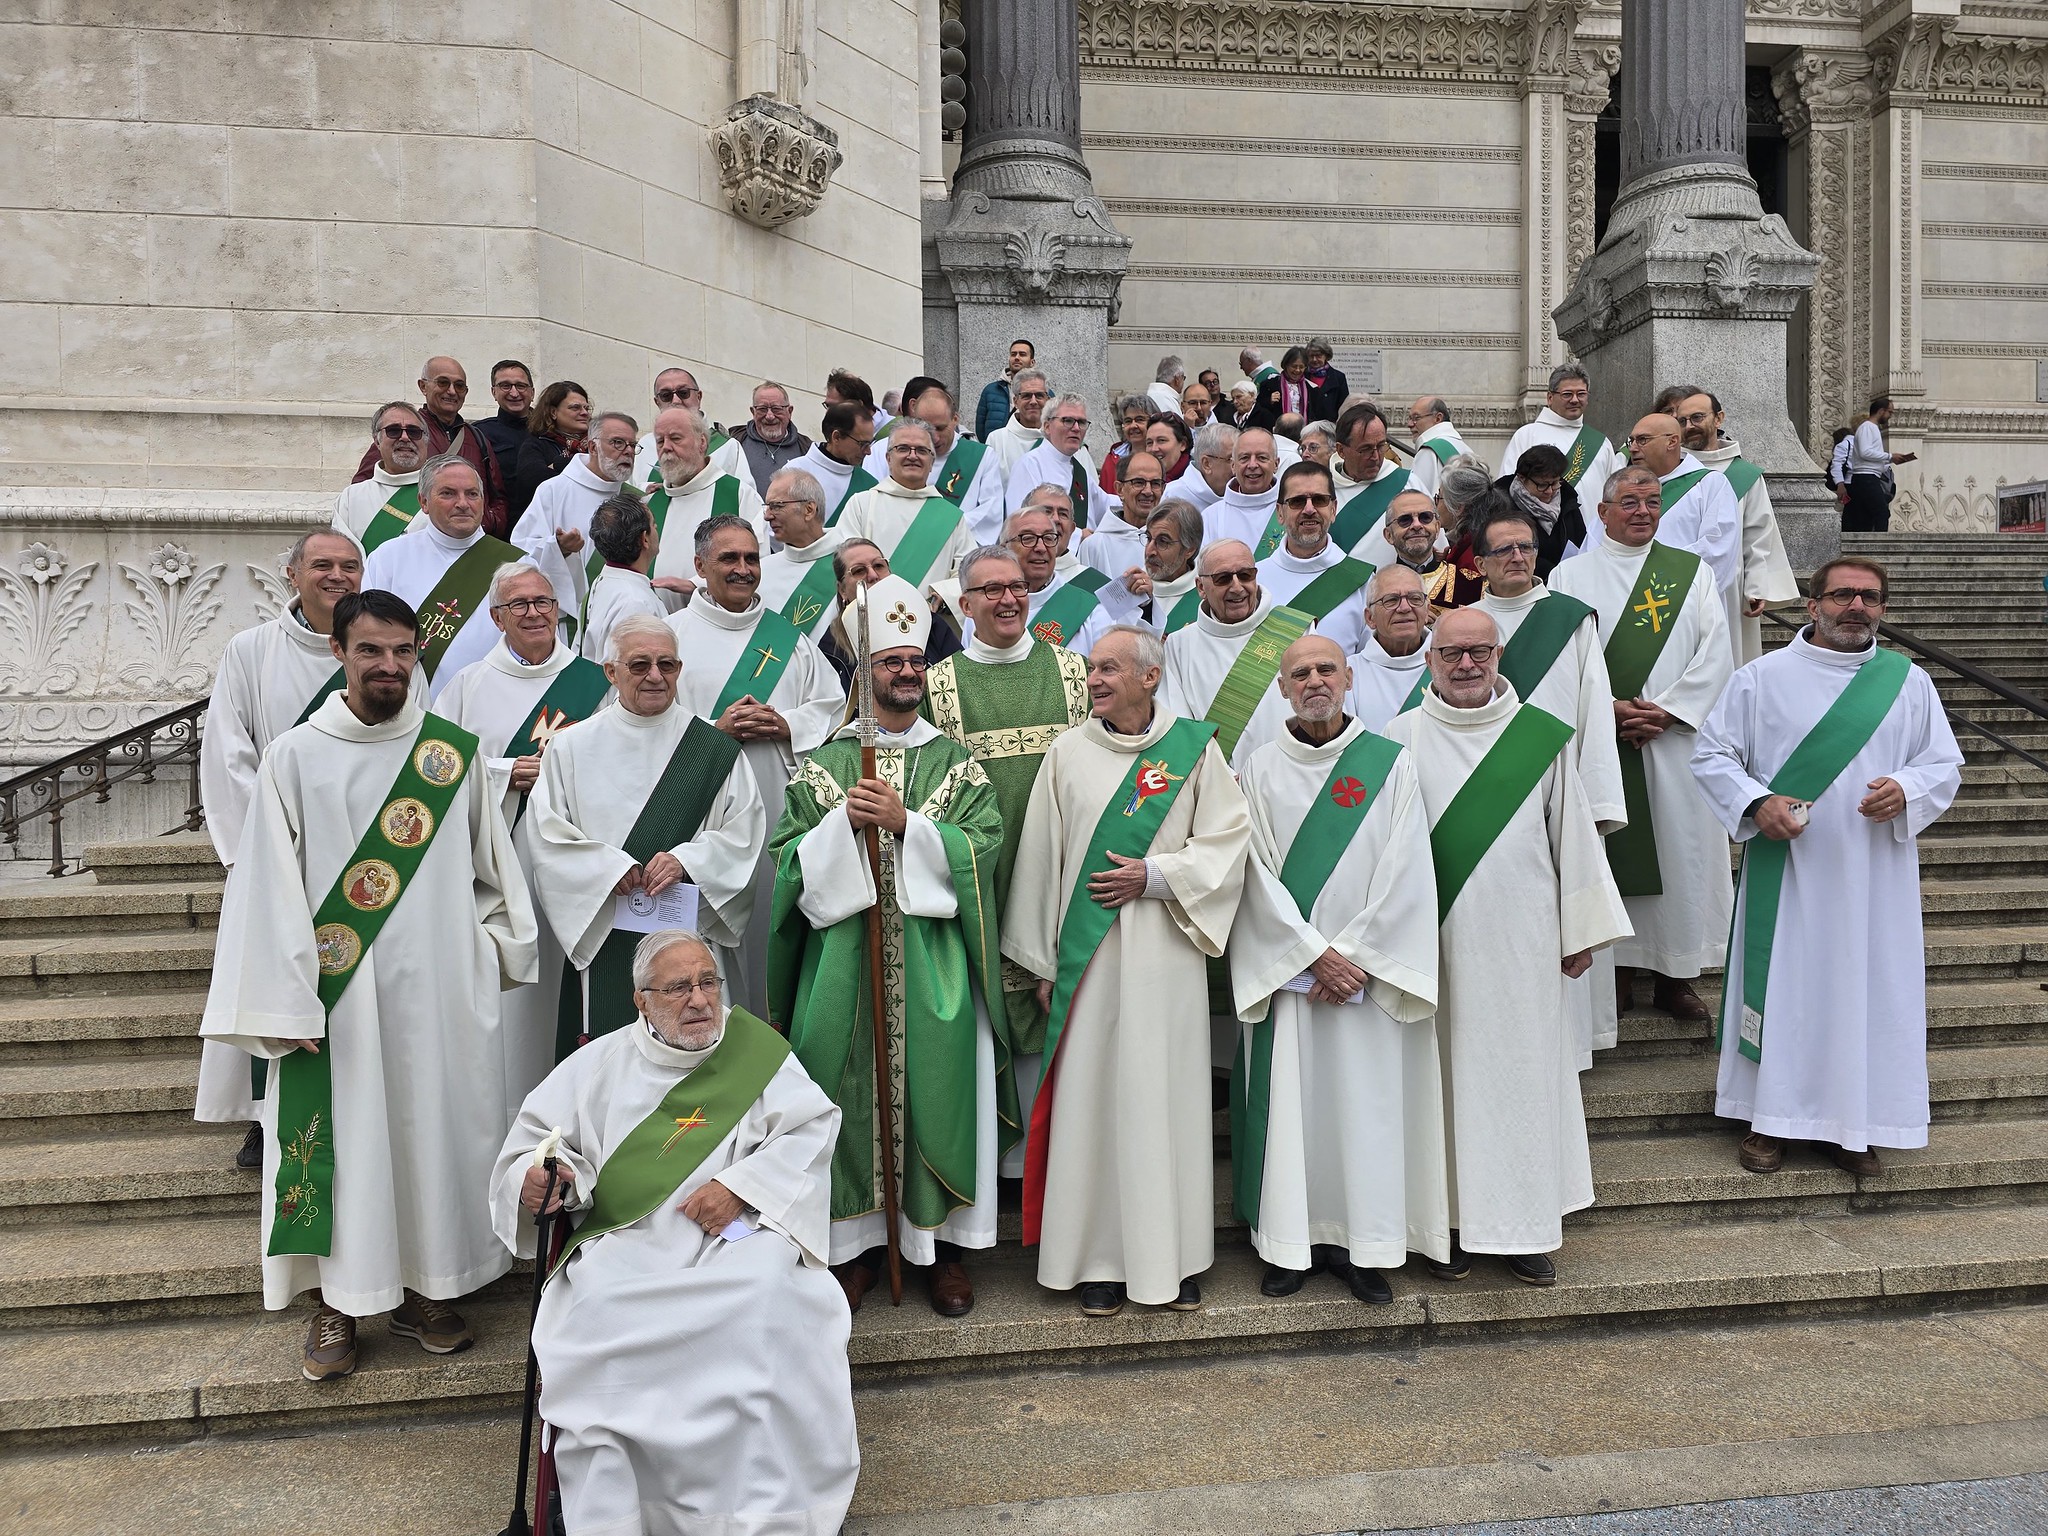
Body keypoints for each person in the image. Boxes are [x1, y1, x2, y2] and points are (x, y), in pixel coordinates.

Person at [201, 589, 537, 1381]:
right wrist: (284, 1002)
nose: (388, 665)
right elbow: (265, 892)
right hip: (335, 1003)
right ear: (338, 655)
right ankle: (337, 1302)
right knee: (344, 1148)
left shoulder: (451, 755)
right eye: (370, 651)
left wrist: (485, 953)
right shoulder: (295, 758)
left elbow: (499, 875)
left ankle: (428, 1289)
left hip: (440, 1005)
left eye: (402, 650)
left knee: (428, 1140)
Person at [491, 928, 856, 1536]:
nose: (700, 1001)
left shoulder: (757, 1053)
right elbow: (538, 1147)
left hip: (737, 1239)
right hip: (629, 1242)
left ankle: (758, 1512)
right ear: (641, 1000)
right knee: (596, 1310)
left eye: (709, 982)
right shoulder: (597, 1065)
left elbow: (811, 1130)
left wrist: (743, 1186)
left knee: (770, 1303)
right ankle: (621, 1511)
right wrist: (542, 1181)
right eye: (680, 987)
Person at [768, 575, 1006, 1316]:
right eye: (888, 663)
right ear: (862, 675)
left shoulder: (955, 762)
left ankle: (941, 1253)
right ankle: (859, 1247)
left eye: (914, 663)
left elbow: (984, 846)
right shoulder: (827, 764)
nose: (905, 673)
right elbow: (786, 863)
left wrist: (910, 826)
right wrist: (843, 828)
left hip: (934, 966)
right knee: (846, 1098)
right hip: (844, 963)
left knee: (937, 1098)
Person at [1005, 625, 1251, 1315]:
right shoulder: (1068, 753)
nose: (1095, 680)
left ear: (1150, 676)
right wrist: (1046, 959)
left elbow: (1229, 843)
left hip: (1165, 956)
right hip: (1088, 965)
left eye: (1110, 669)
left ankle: (1171, 1258)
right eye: (1091, 670)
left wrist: (1158, 876)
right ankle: (1098, 1261)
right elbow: (1040, 859)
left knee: (1165, 1104)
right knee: (1094, 1106)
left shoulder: (1195, 751)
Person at [1383, 608, 1629, 1286]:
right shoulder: (1396, 738)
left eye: (1480, 652)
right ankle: (1447, 1226)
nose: (1467, 665)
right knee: (1437, 1087)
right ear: (1430, 661)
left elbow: (1573, 837)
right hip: (1426, 945)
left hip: (1521, 946)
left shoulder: (1540, 740)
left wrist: (1579, 930)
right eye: (1452, 653)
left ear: (1499, 656)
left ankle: (1520, 1226)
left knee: (1517, 1084)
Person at [1692, 557, 1961, 1176]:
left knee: (1864, 992)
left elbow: (1942, 763)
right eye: (1842, 595)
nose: (1856, 607)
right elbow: (1712, 755)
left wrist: (1908, 789)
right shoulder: (1761, 678)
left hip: (1874, 878)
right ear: (1812, 605)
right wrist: (1757, 804)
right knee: (1786, 989)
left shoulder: (1908, 683)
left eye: (1870, 597)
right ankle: (1769, 1121)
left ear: (1883, 609)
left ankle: (1853, 1123)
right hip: (1788, 872)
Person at [1228, 634, 1445, 1302]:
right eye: (1300, 673)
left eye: (1326, 669)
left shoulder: (1391, 765)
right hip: (1295, 982)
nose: (1315, 680)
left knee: (1363, 1112)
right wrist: (1311, 956)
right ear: (1282, 688)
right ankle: (1292, 1245)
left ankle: (1363, 1246)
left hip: (1363, 984)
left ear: (1350, 678)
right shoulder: (1259, 769)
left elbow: (1407, 869)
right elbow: (1253, 875)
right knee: (1295, 1113)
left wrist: (1352, 956)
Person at [195, 528, 406, 1165]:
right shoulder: (252, 650)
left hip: (369, 851)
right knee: (274, 977)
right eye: (322, 564)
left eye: (350, 564)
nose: (337, 574)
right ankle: (268, 1120)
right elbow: (230, 752)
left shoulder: (389, 659)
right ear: (293, 575)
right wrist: (251, 853)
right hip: (281, 852)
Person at [1552, 465, 1734, 1056]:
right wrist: (1605, 708)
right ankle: (1619, 975)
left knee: (1681, 854)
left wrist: (1668, 711)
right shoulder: (1568, 575)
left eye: (1651, 501)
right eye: (1628, 501)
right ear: (1603, 512)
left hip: (1673, 742)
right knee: (1608, 853)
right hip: (1602, 742)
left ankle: (1677, 976)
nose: (1642, 511)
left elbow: (1716, 654)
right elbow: (1561, 660)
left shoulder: (1691, 574)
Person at [922, 545, 1093, 1158]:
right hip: (981, 882)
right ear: (964, 604)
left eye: (1017, 586)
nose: (1008, 599)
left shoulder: (1075, 672)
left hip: (1068, 878)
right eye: (991, 590)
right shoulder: (938, 686)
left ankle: (1067, 1161)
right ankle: (1008, 1165)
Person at [527, 613, 767, 1048]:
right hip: (606, 933)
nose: (655, 676)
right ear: (611, 672)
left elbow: (744, 834)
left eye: (667, 665)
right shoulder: (571, 747)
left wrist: (687, 860)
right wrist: (605, 869)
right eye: (639, 665)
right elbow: (547, 835)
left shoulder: (715, 750)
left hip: (689, 930)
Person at [438, 561, 612, 1116]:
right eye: (521, 605)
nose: (536, 612)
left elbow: (621, 758)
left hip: (577, 866)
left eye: (544, 602)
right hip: (501, 863)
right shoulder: (467, 687)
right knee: (513, 1011)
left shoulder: (596, 684)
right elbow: (436, 770)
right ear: (497, 617)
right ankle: (505, 1114)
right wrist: (504, 773)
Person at [1470, 497, 1628, 1067]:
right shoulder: (1465, 627)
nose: (1517, 556)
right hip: (1483, 803)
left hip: (1564, 798)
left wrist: (1596, 802)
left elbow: (1593, 711)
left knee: (1567, 918)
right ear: (1479, 563)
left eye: (1526, 546)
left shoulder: (1570, 617)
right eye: (1503, 549)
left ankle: (1572, 1047)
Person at [668, 513, 844, 1004]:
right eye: (729, 558)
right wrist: (714, 733)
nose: (743, 568)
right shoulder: (670, 637)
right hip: (701, 818)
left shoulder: (790, 640)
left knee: (773, 924)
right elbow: (641, 726)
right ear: (700, 565)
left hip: (776, 810)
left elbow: (832, 710)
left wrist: (789, 726)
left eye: (751, 558)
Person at [361, 453, 523, 695]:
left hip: (489, 700)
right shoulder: (388, 558)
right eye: (448, 493)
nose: (463, 503)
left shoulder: (518, 565)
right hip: (402, 702)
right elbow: (366, 635)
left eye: (472, 494)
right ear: (423, 502)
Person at [1670, 388, 1802, 664]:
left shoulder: (1744, 475)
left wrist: (1755, 586)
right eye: (1682, 421)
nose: (1689, 427)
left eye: (1697, 418)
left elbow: (1757, 532)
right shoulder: (1669, 471)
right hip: (1673, 579)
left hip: (1728, 584)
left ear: (1718, 418)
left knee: (1726, 657)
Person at [1159, 539, 1301, 770]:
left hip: (1287, 776)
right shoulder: (1179, 645)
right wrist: (1219, 776)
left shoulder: (1295, 630)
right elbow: (1178, 725)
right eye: (1223, 578)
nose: (1237, 587)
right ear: (1201, 587)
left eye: (1245, 575)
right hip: (1216, 783)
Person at [350, 355, 512, 538]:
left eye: (459, 386)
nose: (451, 391)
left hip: (468, 545)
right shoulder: (401, 434)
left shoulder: (477, 438)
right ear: (423, 386)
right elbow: (366, 492)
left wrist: (483, 523)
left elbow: (498, 498)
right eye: (443, 383)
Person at [510, 410, 637, 632]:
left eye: (633, 445)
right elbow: (520, 550)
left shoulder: (635, 498)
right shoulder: (554, 490)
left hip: (623, 614)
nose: (628, 451)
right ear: (593, 446)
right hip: (571, 619)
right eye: (618, 443)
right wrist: (558, 548)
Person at [834, 416, 977, 603]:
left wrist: (944, 594)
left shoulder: (951, 517)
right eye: (902, 449)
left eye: (921, 450)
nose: (912, 455)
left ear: (932, 461)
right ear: (888, 458)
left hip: (930, 622)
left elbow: (969, 571)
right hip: (871, 616)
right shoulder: (862, 504)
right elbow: (845, 565)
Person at [645, 405, 770, 602]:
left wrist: (695, 584)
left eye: (675, 438)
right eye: (660, 441)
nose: (666, 447)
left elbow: (759, 560)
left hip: (715, 617)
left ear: (702, 442)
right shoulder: (652, 499)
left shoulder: (738, 494)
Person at [1254, 460, 1375, 657]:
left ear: (1334, 509)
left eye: (1319, 500)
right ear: (1280, 513)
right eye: (1297, 501)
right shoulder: (1255, 579)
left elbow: (1367, 662)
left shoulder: (1362, 581)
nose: (1309, 509)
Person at [1624, 413, 1741, 605]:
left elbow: (1717, 549)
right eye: (1632, 441)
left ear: (1672, 442)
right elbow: (1597, 541)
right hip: (1624, 597)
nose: (1633, 449)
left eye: (1642, 440)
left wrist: (1646, 571)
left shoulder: (1710, 484)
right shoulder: (1621, 487)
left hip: (1685, 602)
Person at [1500, 363, 1623, 496]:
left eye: (1581, 394)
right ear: (1550, 398)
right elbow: (1508, 487)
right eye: (1567, 394)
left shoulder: (1601, 442)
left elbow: (1616, 491)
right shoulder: (1526, 435)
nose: (1575, 400)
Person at [759, 467, 849, 643]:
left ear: (809, 510)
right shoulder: (763, 570)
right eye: (767, 507)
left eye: (776, 506)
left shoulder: (852, 563)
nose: (767, 516)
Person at [577, 493, 669, 664]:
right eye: (654, 526)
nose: (657, 529)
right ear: (645, 539)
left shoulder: (603, 580)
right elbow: (633, 672)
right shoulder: (635, 603)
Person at [1345, 563, 1433, 733]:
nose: (1405, 608)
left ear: (1427, 610)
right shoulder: (1349, 673)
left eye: (1415, 598)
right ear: (1370, 618)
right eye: (1391, 600)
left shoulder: (1448, 665)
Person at [917, 383, 1005, 543]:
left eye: (940, 428)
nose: (934, 437)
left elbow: (990, 512)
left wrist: (944, 527)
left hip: (962, 548)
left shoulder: (983, 456)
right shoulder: (904, 456)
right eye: (927, 429)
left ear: (955, 419)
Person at [1003, 393, 1108, 526]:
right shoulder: (1029, 465)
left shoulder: (1079, 470)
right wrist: (1078, 536)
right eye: (1068, 420)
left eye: (1081, 422)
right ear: (1047, 427)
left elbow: (1105, 504)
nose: (1076, 428)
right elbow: (1021, 520)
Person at [334, 402, 426, 551]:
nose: (405, 437)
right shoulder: (351, 498)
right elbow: (342, 555)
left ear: (426, 440)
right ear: (377, 440)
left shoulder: (443, 493)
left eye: (414, 431)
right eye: (393, 430)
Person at [630, 367, 743, 487]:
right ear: (657, 402)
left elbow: (741, 497)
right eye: (666, 395)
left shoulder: (728, 446)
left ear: (698, 397)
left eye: (683, 393)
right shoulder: (644, 446)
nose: (676, 401)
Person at [1381, 488, 1482, 616]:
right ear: (1388, 535)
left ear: (1437, 527)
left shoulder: (1472, 585)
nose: (1417, 525)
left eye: (1425, 517)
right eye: (1405, 520)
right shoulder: (1376, 589)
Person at [1493, 444, 1587, 578]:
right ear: (1522, 478)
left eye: (1555, 483)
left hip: (1566, 582)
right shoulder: (1501, 507)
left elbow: (1581, 544)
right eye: (1542, 485)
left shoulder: (1568, 501)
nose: (1550, 491)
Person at [1078, 449, 1164, 587]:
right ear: (1119, 489)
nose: (1148, 491)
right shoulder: (1095, 545)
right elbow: (1085, 601)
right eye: (1138, 482)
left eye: (1155, 483)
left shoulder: (1173, 543)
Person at [509, 380, 591, 517]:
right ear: (553, 412)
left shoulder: (597, 444)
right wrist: (585, 469)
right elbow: (534, 480)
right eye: (575, 408)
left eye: (586, 408)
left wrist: (558, 464)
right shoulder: (536, 444)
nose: (584, 413)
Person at [791, 399, 878, 523]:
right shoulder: (793, 473)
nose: (868, 452)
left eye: (870, 444)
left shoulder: (870, 486)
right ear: (836, 437)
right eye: (863, 444)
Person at [1844, 396, 1915, 534]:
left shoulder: (1871, 428)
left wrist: (1891, 459)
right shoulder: (1868, 427)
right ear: (1881, 411)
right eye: (1890, 412)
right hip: (1866, 477)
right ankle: (1880, 544)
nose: (1890, 416)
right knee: (1881, 512)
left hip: (1868, 477)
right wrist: (1889, 456)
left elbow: (1868, 453)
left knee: (1865, 517)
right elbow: (1865, 452)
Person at [1205, 427, 1281, 552]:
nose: (1252, 465)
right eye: (1244, 458)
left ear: (1276, 464)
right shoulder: (1212, 517)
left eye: (1261, 457)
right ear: (1233, 466)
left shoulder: (1291, 509)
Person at [727, 379, 811, 494]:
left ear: (790, 411)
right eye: (762, 409)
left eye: (776, 409)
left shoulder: (807, 449)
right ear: (753, 412)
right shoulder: (734, 443)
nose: (770, 416)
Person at [1138, 498, 1205, 634]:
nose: (1149, 551)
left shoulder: (1205, 598)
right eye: (1148, 538)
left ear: (1189, 549)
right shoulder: (1131, 588)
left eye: (1163, 542)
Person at [1404, 396, 1472, 502]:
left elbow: (1417, 500)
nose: (1410, 424)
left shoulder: (1428, 451)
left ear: (1438, 418)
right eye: (1410, 418)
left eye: (1416, 418)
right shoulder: (1464, 447)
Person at [474, 359, 533, 472]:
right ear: (494, 392)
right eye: (505, 386)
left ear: (532, 392)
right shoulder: (479, 433)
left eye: (521, 386)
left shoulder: (550, 430)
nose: (514, 393)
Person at [1166, 421, 1234, 513]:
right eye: (1231, 459)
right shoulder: (1173, 496)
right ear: (1207, 464)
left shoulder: (1242, 494)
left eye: (1241, 458)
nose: (1238, 467)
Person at [978, 338, 1035, 439]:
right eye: (1013, 354)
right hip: (997, 449)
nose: (1016, 358)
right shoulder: (990, 390)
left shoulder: (1044, 393)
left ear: (1032, 362)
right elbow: (980, 426)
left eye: (1022, 354)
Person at [1100, 393, 1153, 494]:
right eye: (1128, 421)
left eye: (1140, 419)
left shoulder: (1162, 456)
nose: (1133, 425)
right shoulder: (1112, 459)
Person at [1250, 346, 1312, 429]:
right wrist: (1269, 401)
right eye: (1294, 366)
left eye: (1301, 367)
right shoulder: (1270, 384)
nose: (1297, 370)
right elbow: (1258, 408)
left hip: (1303, 431)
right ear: (1286, 365)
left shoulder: (1310, 388)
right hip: (1277, 431)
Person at [1302, 339, 1349, 421]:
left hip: (1330, 425)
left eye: (1318, 356)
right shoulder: (1302, 376)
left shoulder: (1338, 377)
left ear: (1326, 356)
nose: (1314, 359)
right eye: (1311, 356)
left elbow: (1344, 406)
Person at [1144, 411, 1193, 485]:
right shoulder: (1140, 479)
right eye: (1149, 443)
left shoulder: (1197, 480)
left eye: (1161, 440)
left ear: (1183, 444)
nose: (1154, 449)